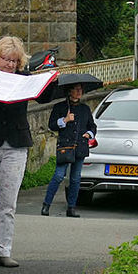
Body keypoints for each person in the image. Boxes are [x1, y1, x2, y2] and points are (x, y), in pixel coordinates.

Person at [0, 36, 53, 271]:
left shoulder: (25, 79)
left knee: (8, 203)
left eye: (15, 61)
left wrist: (49, 78)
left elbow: (44, 96)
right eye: (6, 60)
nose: (10, 65)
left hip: (15, 144)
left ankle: (4, 251)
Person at [42, 84, 97, 217]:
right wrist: (65, 120)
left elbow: (92, 126)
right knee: (59, 176)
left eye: (80, 89)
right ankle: (46, 204)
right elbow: (52, 125)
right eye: (76, 89)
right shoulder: (60, 107)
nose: (79, 92)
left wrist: (89, 134)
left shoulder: (85, 108)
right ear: (69, 91)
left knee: (75, 178)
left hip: (80, 146)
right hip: (65, 146)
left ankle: (71, 208)